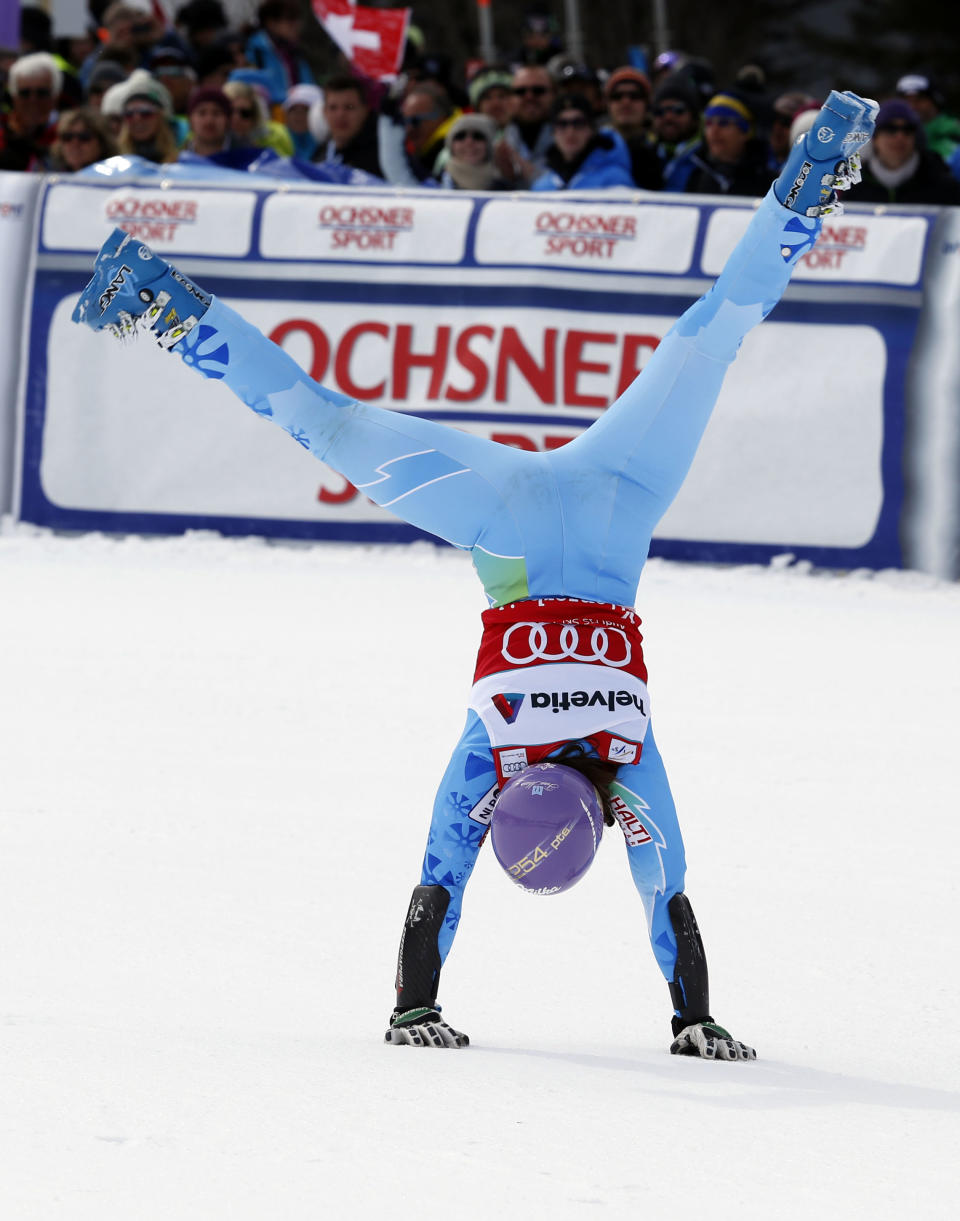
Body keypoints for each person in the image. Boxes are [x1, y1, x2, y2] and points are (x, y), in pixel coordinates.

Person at [72, 89, 878, 1060]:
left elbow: (655, 883)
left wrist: (693, 1014)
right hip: (519, 518)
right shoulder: (499, 756)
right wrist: (418, 1004)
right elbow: (449, 874)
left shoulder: (617, 761)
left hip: (606, 503)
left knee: (714, 331)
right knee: (332, 421)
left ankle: (818, 162)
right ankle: (151, 295)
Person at [843, 98, 960, 207]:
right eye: (890, 129)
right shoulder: (854, 185)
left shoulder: (942, 184)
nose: (900, 136)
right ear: (875, 139)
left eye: (908, 130)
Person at [532, 94, 634, 191]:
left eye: (578, 123)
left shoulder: (615, 180)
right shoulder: (542, 186)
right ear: (553, 132)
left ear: (591, 130)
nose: (570, 131)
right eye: (562, 124)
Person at [685, 89, 774, 197]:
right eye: (708, 123)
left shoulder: (769, 184)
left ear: (745, 132)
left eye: (723, 123)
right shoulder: (695, 177)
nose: (714, 130)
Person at [601, 66, 663, 190]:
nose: (626, 102)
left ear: (647, 104)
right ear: (607, 104)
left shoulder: (663, 149)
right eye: (617, 96)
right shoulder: (594, 148)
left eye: (634, 96)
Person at [0, 50, 61, 171]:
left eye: (42, 93)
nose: (33, 100)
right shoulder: (2, 132)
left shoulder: (70, 135)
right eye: (25, 93)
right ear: (13, 96)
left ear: (55, 95)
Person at [649, 71, 702, 192]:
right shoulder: (644, 158)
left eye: (678, 110)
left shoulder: (707, 161)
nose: (668, 117)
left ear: (694, 117)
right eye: (660, 111)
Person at [895, 73, 960, 162]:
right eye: (906, 100)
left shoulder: (953, 134)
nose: (912, 106)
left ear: (935, 101)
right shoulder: (890, 136)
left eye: (919, 100)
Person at [438, 113, 508, 191]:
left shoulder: (505, 190)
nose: (469, 142)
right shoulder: (435, 184)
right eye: (461, 136)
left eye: (478, 136)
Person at [50, 105, 117, 170]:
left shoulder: (117, 179)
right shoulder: (52, 178)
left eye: (84, 137)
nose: (75, 143)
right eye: (67, 137)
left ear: (102, 143)